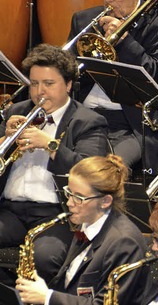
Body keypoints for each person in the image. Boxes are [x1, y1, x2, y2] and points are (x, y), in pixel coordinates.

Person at [0, 44, 109, 284]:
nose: (40, 92)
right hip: (9, 210)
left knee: (44, 258)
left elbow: (91, 174)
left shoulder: (88, 122)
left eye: (49, 84)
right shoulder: (15, 112)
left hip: (58, 213)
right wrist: (5, 139)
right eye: (34, 83)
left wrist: (50, 145)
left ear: (68, 85)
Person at [67, 0, 158, 175]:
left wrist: (125, 41)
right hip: (85, 114)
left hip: (132, 122)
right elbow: (68, 71)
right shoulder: (84, 19)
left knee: (103, 172)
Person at [16, 155, 148, 305]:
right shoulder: (87, 221)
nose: (69, 202)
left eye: (79, 197)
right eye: (69, 193)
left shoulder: (124, 243)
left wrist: (47, 297)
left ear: (105, 201)